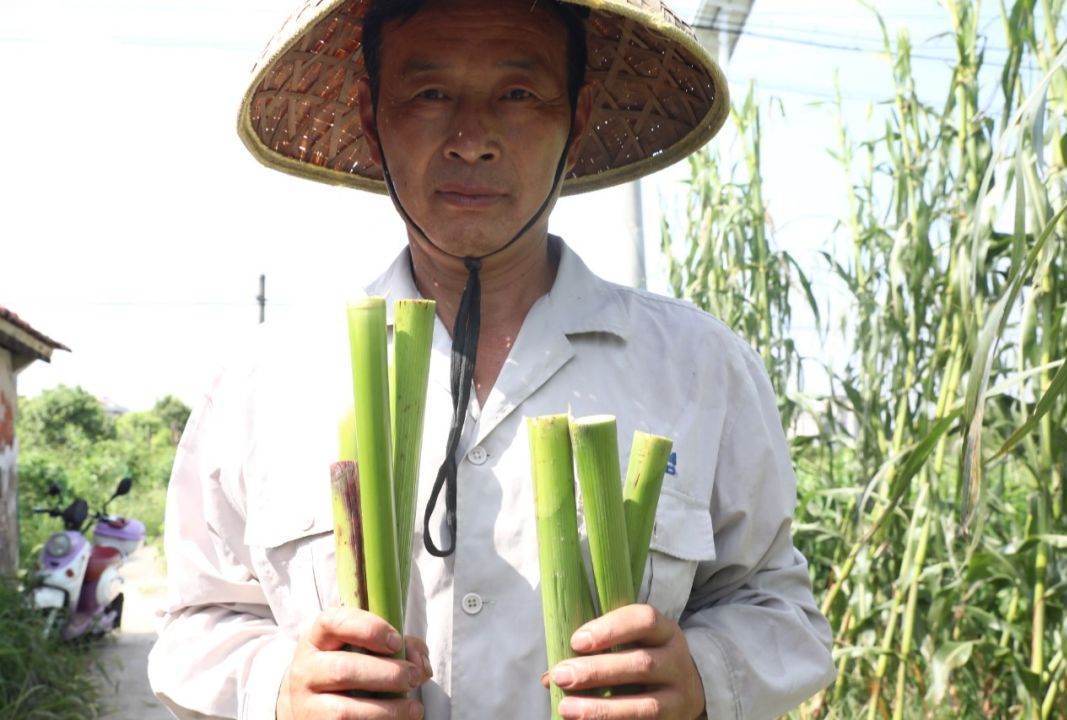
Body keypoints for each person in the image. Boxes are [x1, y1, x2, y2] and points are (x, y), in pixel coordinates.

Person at [147, 0, 836, 718]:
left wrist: (702, 673)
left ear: (576, 119)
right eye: (430, 93)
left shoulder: (699, 367)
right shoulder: (267, 381)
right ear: (372, 114)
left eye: (517, 93)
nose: (471, 139)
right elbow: (197, 627)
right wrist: (279, 687)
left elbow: (776, 608)